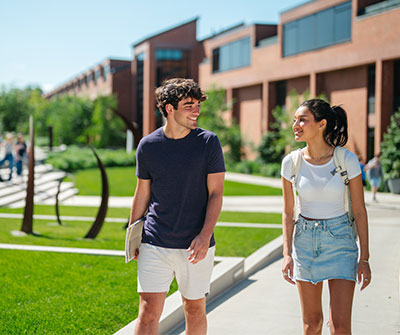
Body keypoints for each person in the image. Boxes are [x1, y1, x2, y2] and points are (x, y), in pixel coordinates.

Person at [129, 78, 225, 335]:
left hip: (195, 245)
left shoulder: (208, 142)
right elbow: (142, 193)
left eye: (197, 105)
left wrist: (205, 236)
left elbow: (216, 193)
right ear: (169, 109)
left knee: (194, 309)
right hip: (154, 241)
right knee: (148, 312)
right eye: (189, 105)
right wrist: (133, 236)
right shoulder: (148, 146)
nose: (197, 111)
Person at [281, 99, 371, 334]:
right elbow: (288, 212)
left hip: (340, 242)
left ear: (321, 124)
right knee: (312, 325)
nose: (296, 125)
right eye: (295, 120)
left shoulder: (346, 159)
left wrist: (365, 258)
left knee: (340, 327)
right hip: (306, 243)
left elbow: (360, 211)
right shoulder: (291, 162)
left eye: (303, 120)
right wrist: (287, 254)